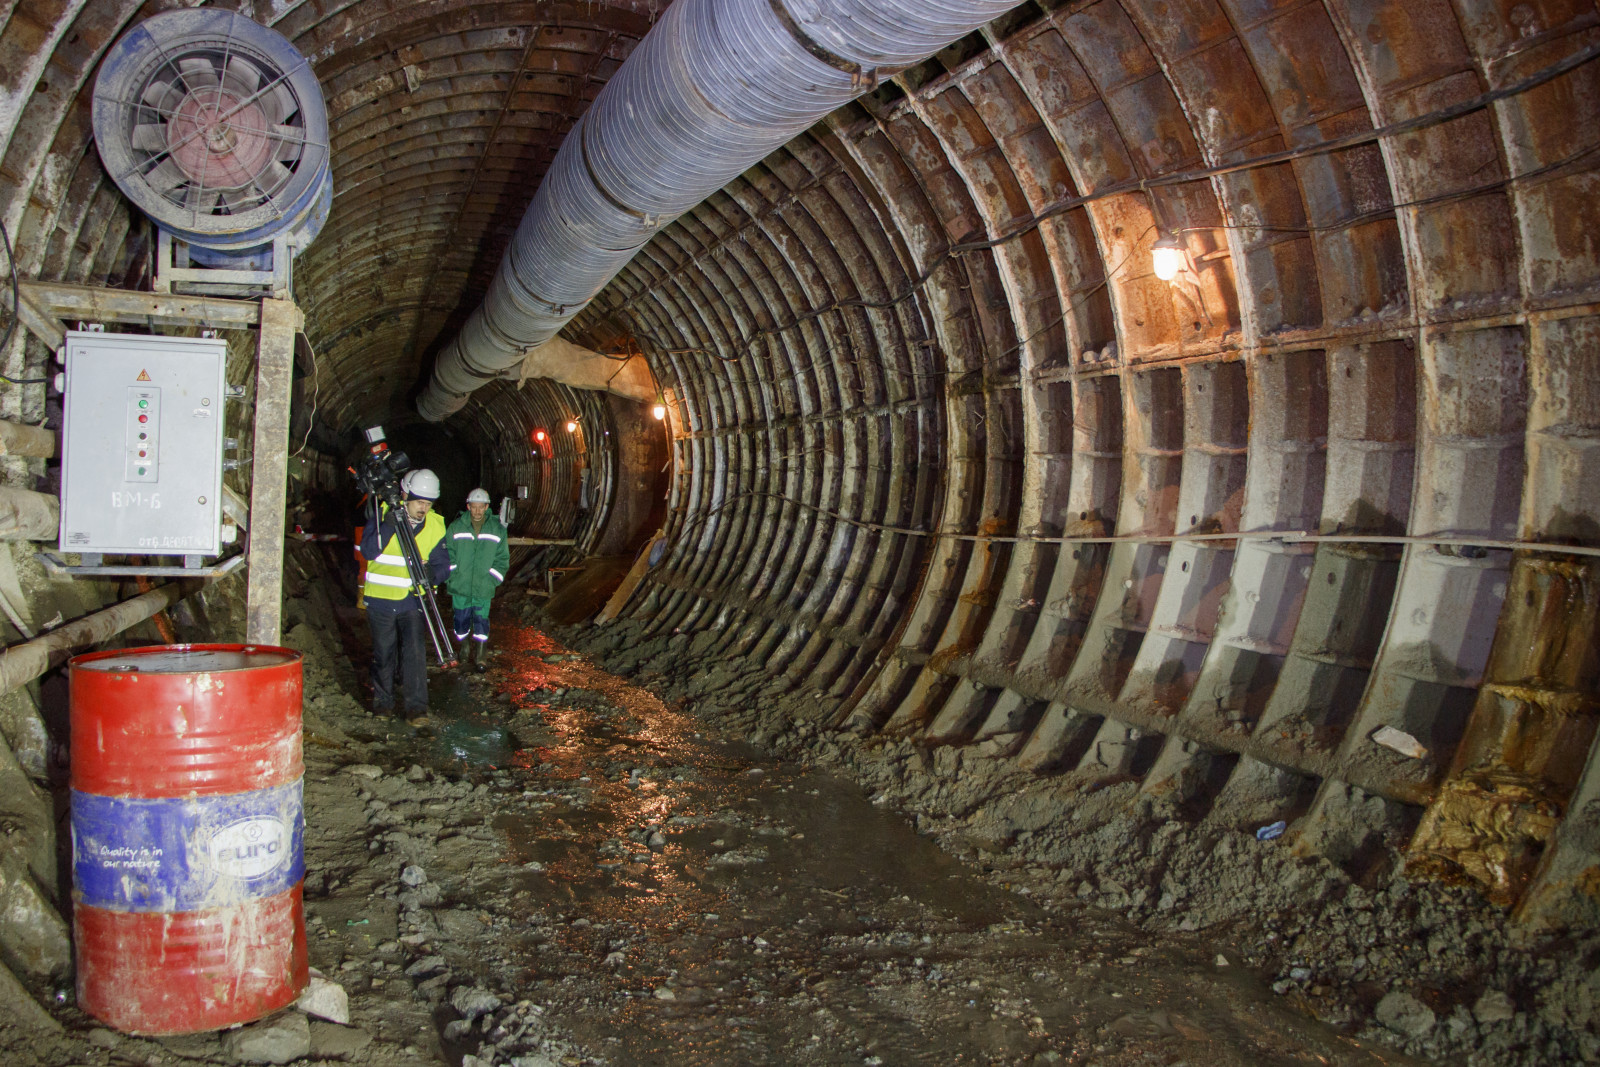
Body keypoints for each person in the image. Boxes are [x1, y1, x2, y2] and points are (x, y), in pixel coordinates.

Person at [358, 468, 449, 724]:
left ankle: (416, 709)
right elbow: (368, 550)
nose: (424, 508)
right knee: (384, 654)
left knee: (415, 653)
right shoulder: (382, 516)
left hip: (412, 600)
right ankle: (383, 705)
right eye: (419, 502)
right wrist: (388, 525)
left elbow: (444, 565)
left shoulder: (436, 525)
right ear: (405, 495)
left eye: (428, 503)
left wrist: (432, 575)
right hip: (381, 600)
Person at [446, 487, 510, 673]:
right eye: (473, 507)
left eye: (481, 507)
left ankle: (481, 654)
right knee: (460, 620)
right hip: (460, 586)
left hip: (483, 586)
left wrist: (492, 580)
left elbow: (502, 559)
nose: (477, 511)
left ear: (487, 507)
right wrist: (453, 575)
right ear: (468, 506)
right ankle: (464, 647)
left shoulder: (497, 529)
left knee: (481, 621)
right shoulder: (456, 527)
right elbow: (447, 553)